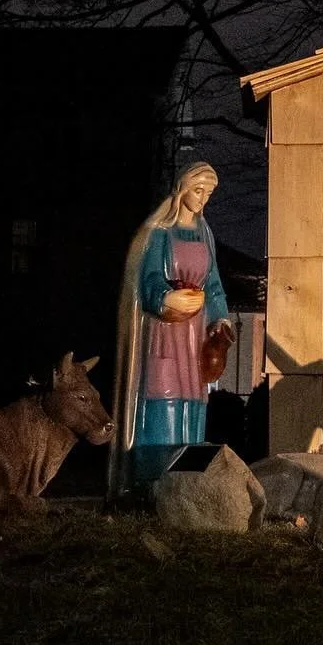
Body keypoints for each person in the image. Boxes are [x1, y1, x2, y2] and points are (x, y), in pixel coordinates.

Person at [113, 161, 233, 488]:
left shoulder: (204, 234)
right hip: (164, 333)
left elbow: (213, 285)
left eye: (209, 193)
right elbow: (148, 278)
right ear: (182, 189)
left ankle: (185, 480)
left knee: (192, 402)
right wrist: (166, 299)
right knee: (163, 399)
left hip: (194, 336)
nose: (203, 199)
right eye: (198, 190)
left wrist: (220, 319)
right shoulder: (159, 234)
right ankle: (152, 478)